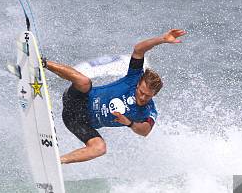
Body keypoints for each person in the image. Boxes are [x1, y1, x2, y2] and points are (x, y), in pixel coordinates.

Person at [44, 29, 186, 164]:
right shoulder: (133, 78)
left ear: (154, 95)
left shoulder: (149, 111)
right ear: (138, 84)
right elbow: (138, 49)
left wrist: (129, 123)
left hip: (79, 122)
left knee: (100, 148)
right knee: (84, 81)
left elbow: (145, 131)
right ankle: (43, 63)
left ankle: (57, 161)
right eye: (141, 92)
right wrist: (162, 39)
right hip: (77, 100)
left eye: (148, 96)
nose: (142, 97)